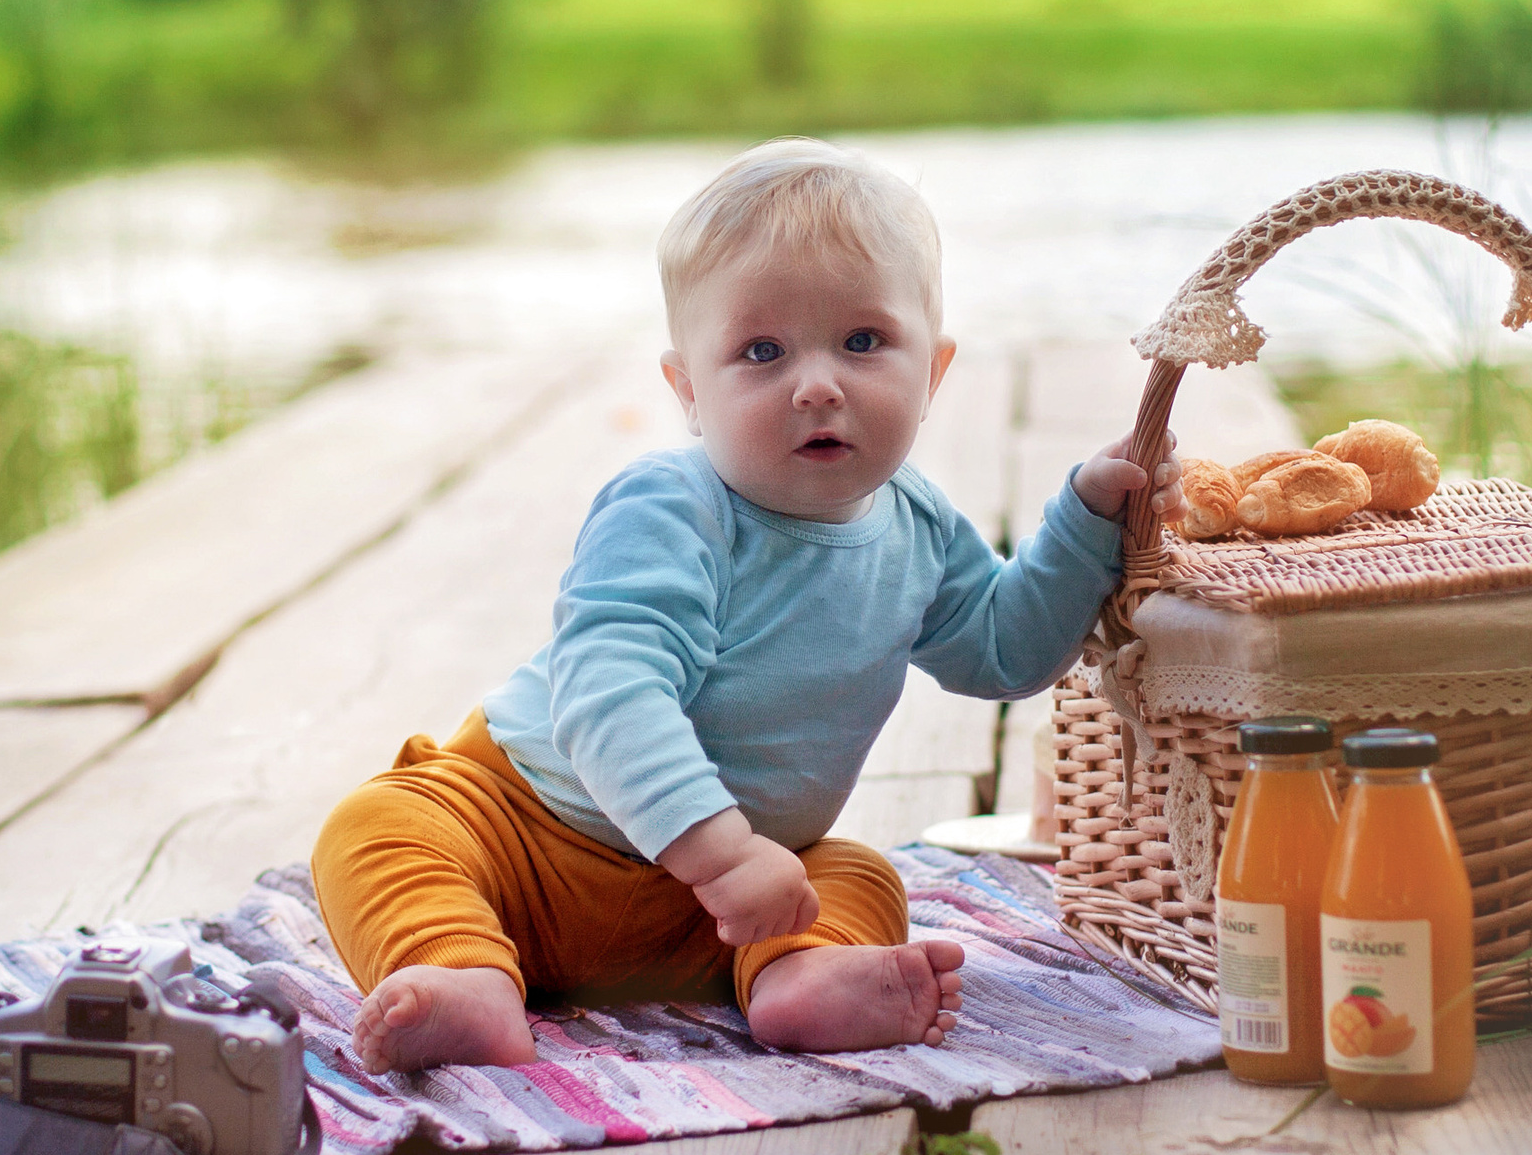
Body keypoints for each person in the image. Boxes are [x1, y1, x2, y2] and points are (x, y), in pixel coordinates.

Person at [310, 139, 1179, 1073]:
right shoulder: (671, 507)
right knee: (379, 826)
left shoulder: (917, 524)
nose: (818, 384)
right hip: (530, 836)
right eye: (762, 352)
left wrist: (1087, 519)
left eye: (863, 341)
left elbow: (1006, 650)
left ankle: (799, 977)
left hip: (727, 912)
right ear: (690, 391)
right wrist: (721, 855)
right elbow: (608, 697)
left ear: (933, 373)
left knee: (858, 875)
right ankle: (462, 973)